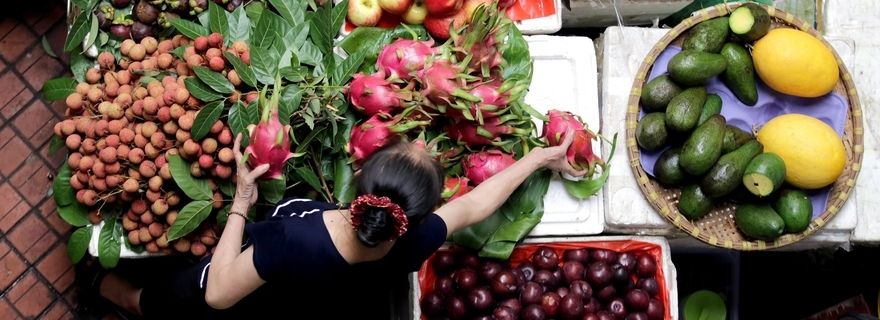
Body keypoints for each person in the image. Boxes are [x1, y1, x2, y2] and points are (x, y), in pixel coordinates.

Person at [84, 130, 584, 319]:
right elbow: (475, 206)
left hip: (243, 291)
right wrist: (537, 159)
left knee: (168, 299)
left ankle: (116, 296)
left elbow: (217, 293)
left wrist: (241, 202)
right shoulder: (416, 240)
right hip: (313, 301)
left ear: (360, 175)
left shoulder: (294, 238)